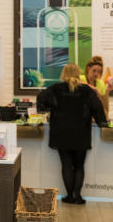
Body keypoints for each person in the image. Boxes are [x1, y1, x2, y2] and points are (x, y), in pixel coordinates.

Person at [37, 63, 107, 204]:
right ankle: (78, 197)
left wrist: (45, 109)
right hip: (81, 132)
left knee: (66, 164)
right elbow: (98, 107)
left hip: (61, 133)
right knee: (79, 166)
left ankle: (69, 196)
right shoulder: (86, 90)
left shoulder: (55, 89)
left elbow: (41, 99)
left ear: (63, 73)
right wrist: (102, 123)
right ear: (78, 74)